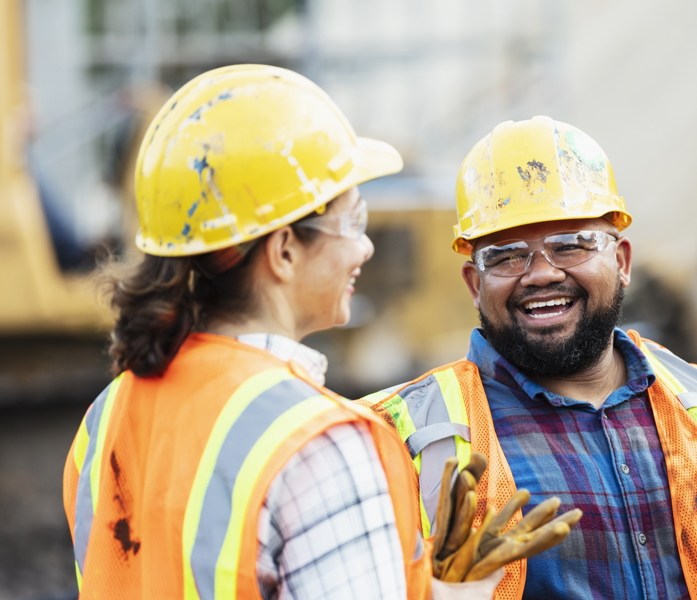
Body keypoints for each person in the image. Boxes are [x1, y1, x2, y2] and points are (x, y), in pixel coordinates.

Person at [61, 65, 557, 600]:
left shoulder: (107, 415)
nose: (365, 248)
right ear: (284, 251)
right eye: (353, 222)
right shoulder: (322, 442)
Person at [357, 116, 697, 600]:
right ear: (475, 284)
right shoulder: (394, 440)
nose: (539, 274)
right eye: (507, 256)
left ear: (621, 262)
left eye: (571, 246)